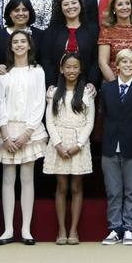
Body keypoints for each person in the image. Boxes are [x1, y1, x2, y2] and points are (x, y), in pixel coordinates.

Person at [0, 30, 47, 245]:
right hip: (8, 130)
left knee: (27, 179)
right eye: (15, 42)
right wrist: (5, 133)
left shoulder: (37, 71)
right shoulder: (3, 73)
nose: (19, 45)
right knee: (8, 180)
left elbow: (39, 102)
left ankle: (26, 229)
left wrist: (27, 133)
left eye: (22, 41)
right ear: (10, 46)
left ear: (29, 45)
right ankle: (8, 229)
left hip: (29, 131)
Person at [45, 53, 97, 245]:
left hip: (78, 144)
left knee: (76, 186)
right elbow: (49, 120)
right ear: (61, 69)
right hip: (59, 142)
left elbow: (90, 122)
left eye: (75, 67)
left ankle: (73, 230)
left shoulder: (87, 93)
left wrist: (79, 145)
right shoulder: (53, 93)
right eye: (68, 67)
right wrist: (58, 144)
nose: (71, 70)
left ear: (80, 69)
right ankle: (61, 229)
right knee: (61, 186)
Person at [99, 48, 132, 245]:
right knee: (113, 191)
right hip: (110, 145)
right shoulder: (107, 89)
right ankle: (114, 228)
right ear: (117, 65)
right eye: (124, 62)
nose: (128, 65)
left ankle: (129, 228)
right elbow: (104, 115)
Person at [40, 0, 98, 86]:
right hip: (57, 84)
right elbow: (46, 60)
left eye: (74, 3)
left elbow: (96, 60)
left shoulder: (93, 30)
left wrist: (92, 83)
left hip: (86, 85)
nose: (70, 7)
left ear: (80, 5)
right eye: (66, 4)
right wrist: (51, 84)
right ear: (61, 8)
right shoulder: (52, 31)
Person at [0, 0, 41, 78]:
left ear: (30, 12)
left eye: (25, 10)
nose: (21, 13)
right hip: (4, 81)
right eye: (16, 10)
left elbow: (45, 62)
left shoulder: (40, 35)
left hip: (33, 81)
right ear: (10, 13)